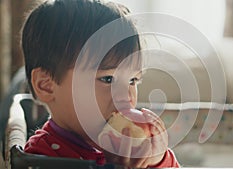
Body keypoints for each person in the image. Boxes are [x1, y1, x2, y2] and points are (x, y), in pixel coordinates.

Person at [21, 0, 179, 168]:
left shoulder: (129, 147)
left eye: (133, 80)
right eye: (108, 79)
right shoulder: (42, 157)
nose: (126, 97)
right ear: (46, 85)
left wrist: (158, 160)